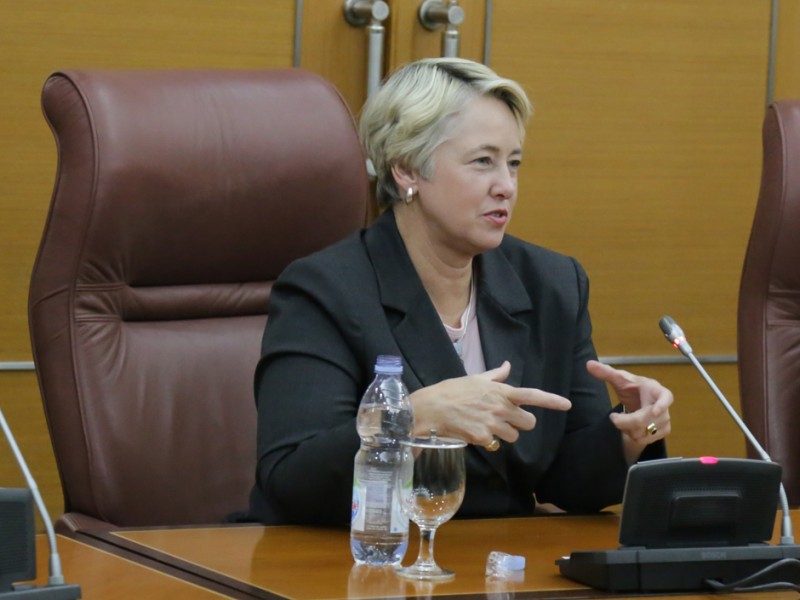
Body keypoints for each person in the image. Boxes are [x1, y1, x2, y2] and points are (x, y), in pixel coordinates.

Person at [248, 57, 672, 526]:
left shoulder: (550, 283)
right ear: (407, 169)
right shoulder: (325, 290)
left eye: (513, 163)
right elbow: (293, 481)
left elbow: (569, 482)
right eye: (482, 162)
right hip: (359, 554)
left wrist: (630, 430)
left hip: (489, 559)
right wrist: (414, 416)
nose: (506, 186)